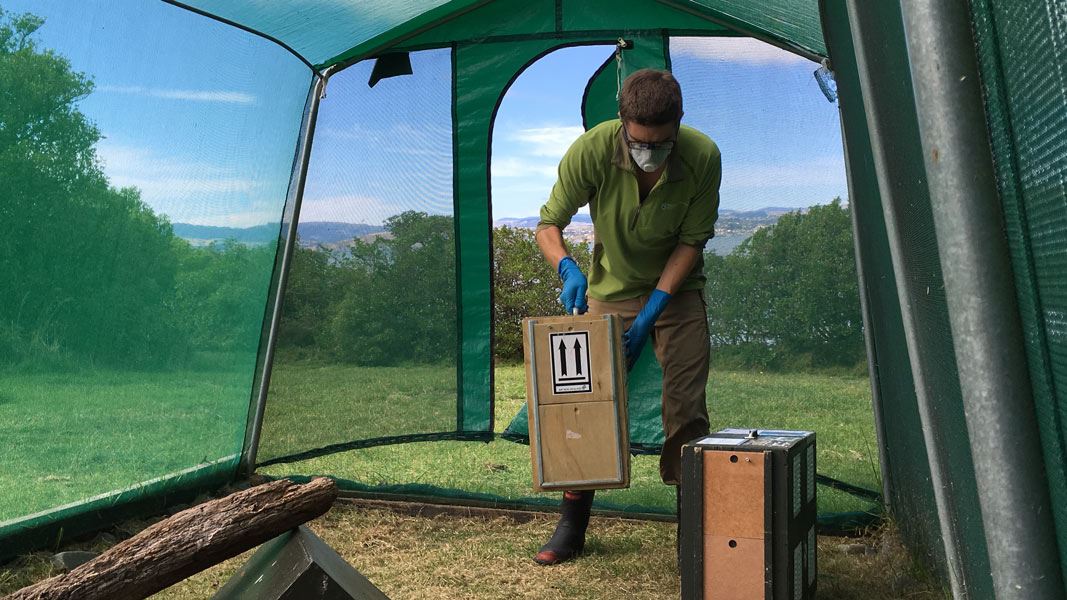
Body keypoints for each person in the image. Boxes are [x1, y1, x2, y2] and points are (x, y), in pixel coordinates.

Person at [532, 68, 721, 565]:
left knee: (685, 407)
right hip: (609, 288)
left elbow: (691, 241)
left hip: (677, 292)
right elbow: (549, 223)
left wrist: (655, 307)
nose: (648, 152)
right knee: (587, 402)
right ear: (623, 124)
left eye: (660, 143)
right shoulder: (593, 149)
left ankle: (693, 528)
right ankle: (572, 526)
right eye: (638, 142)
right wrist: (567, 267)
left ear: (678, 126)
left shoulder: (703, 157)